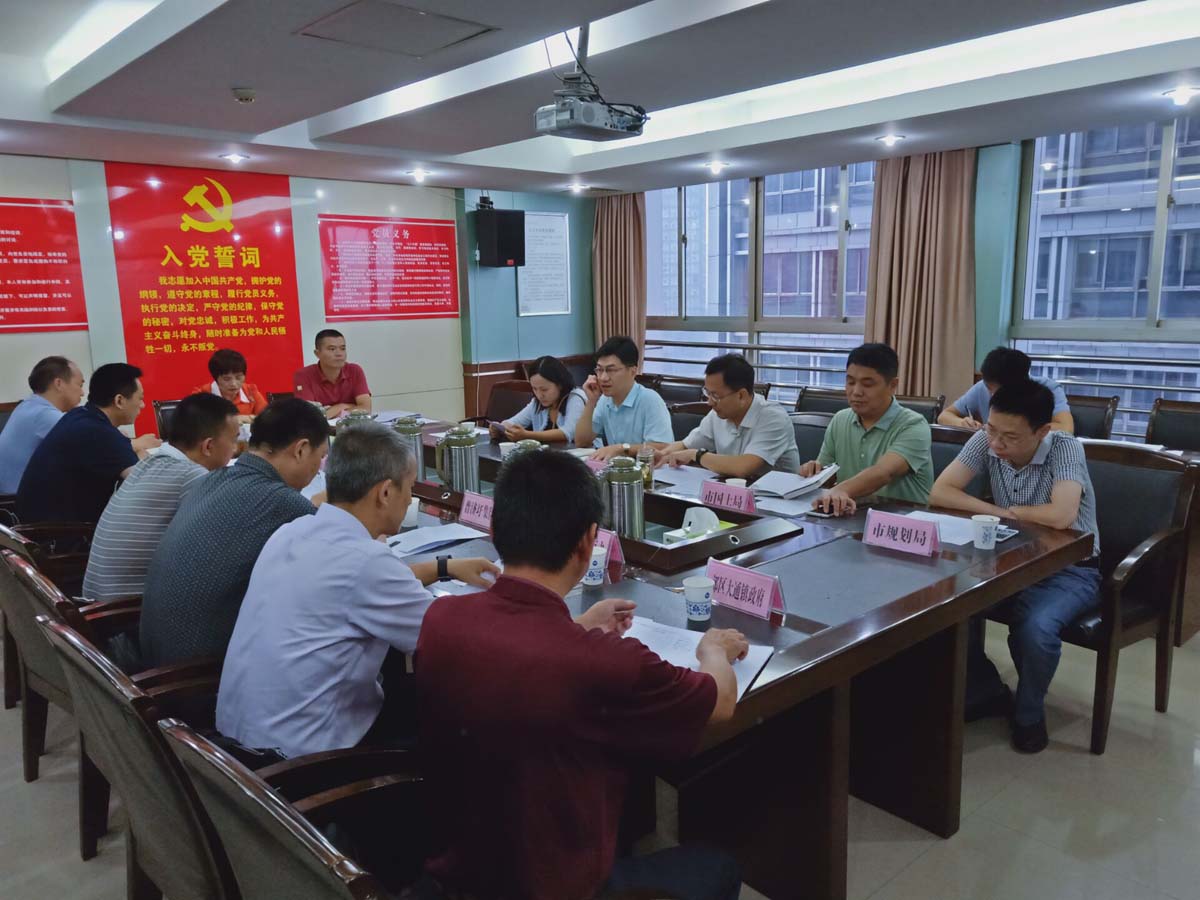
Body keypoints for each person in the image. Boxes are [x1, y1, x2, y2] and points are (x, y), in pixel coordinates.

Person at [415, 450, 747, 900]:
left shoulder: (440, 618)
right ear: (589, 541)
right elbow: (720, 703)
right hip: (556, 885)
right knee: (718, 866)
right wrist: (714, 650)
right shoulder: (605, 661)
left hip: (459, 871)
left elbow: (523, 651)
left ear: (494, 531)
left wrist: (577, 627)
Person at [216, 422, 499, 758]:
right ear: (385, 493)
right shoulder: (366, 562)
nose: (410, 499)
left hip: (234, 750)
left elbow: (356, 587)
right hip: (303, 764)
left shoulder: (292, 532)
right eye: (409, 488)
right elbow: (450, 639)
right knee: (461, 718)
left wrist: (443, 567)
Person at [929, 379, 1100, 754]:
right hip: (1010, 561)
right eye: (992, 429)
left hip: (1070, 569)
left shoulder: (1065, 448)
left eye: (1010, 437)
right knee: (951, 606)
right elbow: (941, 491)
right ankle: (985, 690)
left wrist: (1007, 514)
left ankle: (1029, 714)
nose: (996, 443)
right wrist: (1000, 513)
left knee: (1036, 628)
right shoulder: (988, 439)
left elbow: (1061, 515)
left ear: (1042, 431)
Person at [138, 398, 330, 667]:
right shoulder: (284, 503)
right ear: (301, 450)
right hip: (196, 673)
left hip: (150, 653)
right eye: (320, 458)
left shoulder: (211, 479)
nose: (318, 468)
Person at [82, 393, 240, 602]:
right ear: (208, 446)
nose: (235, 449)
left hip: (96, 602)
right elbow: (224, 548)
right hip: (124, 612)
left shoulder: (149, 462)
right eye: (234, 439)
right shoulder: (192, 476)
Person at [799, 343, 934, 516]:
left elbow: (883, 473)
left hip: (901, 522)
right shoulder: (840, 419)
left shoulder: (914, 425)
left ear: (893, 385)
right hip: (850, 517)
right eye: (850, 382)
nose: (856, 392)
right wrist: (814, 472)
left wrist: (842, 489)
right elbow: (827, 477)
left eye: (868, 384)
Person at [16, 363, 159, 523]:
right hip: (56, 533)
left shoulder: (81, 416)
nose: (142, 405)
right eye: (140, 398)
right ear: (119, 401)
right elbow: (146, 486)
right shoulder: (97, 432)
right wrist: (141, 455)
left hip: (38, 522)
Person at [653, 353, 800, 478]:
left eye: (715, 396)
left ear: (741, 395)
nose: (710, 402)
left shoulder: (773, 418)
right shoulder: (718, 414)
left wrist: (696, 455)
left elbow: (743, 467)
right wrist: (662, 454)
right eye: (707, 393)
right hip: (735, 493)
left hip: (776, 499)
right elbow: (686, 445)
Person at [574, 335, 673, 460]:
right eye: (599, 370)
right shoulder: (604, 400)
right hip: (618, 469)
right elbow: (581, 442)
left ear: (633, 371)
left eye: (611, 370)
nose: (603, 378)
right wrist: (591, 401)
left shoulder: (650, 400)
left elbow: (663, 448)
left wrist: (621, 449)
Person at [0, 356, 85, 494]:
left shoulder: (27, 405)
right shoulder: (44, 415)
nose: (82, 392)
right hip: (17, 501)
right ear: (59, 384)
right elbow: (95, 443)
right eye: (79, 385)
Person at [939, 346, 1073, 433]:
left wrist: (1010, 430)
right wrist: (962, 423)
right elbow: (944, 416)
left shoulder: (1048, 389)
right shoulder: (983, 387)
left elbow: (1066, 429)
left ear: (1019, 385)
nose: (992, 395)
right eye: (989, 388)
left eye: (997, 391)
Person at [498, 355, 587, 443]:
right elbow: (513, 423)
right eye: (534, 389)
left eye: (544, 389)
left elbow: (569, 432)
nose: (539, 395)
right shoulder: (537, 403)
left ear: (560, 385)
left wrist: (527, 435)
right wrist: (500, 428)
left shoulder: (575, 397)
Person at [292, 329, 371, 418]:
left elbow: (366, 408)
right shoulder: (303, 375)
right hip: (320, 427)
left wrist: (340, 413)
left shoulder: (355, 370)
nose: (339, 354)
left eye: (342, 348)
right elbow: (308, 416)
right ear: (317, 353)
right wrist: (343, 406)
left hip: (350, 425)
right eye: (332, 349)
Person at [193, 348, 267, 422]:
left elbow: (267, 419)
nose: (233, 384)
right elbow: (195, 423)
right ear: (216, 378)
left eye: (238, 377)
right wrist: (235, 420)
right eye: (227, 379)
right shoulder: (200, 396)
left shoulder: (251, 392)